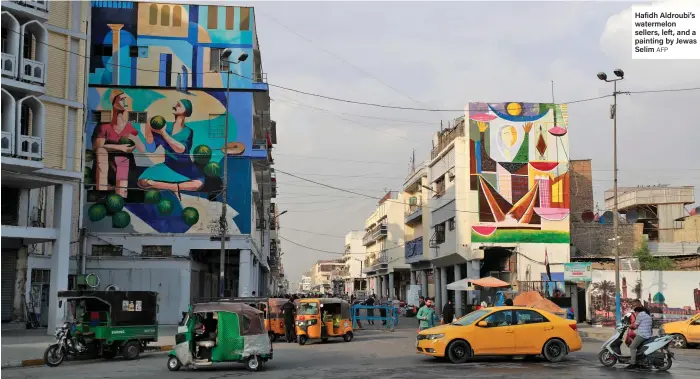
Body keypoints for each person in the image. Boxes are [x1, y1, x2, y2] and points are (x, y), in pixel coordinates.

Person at [92, 90, 147, 198]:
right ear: (114, 102)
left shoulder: (130, 127)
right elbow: (96, 146)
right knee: (101, 151)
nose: (125, 101)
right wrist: (119, 147)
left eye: (126, 99)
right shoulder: (105, 125)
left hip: (125, 166)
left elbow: (142, 149)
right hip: (106, 166)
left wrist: (134, 140)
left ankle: (121, 194)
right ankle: (102, 189)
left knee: (123, 158)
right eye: (122, 99)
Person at [627, 300, 653, 369]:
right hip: (648, 334)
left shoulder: (640, 315)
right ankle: (639, 361)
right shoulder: (646, 314)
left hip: (642, 334)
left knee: (632, 347)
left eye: (635, 306)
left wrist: (630, 326)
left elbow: (635, 326)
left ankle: (632, 363)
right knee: (638, 347)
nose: (635, 314)